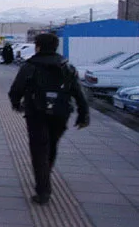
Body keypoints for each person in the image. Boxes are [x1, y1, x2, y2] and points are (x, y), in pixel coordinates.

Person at [8, 33, 89, 205]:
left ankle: (43, 189)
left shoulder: (30, 66)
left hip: (36, 112)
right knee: (51, 144)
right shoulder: (66, 66)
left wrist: (17, 104)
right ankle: (46, 173)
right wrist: (83, 115)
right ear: (55, 47)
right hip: (61, 112)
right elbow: (79, 93)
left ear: (37, 46)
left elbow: (16, 89)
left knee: (39, 148)